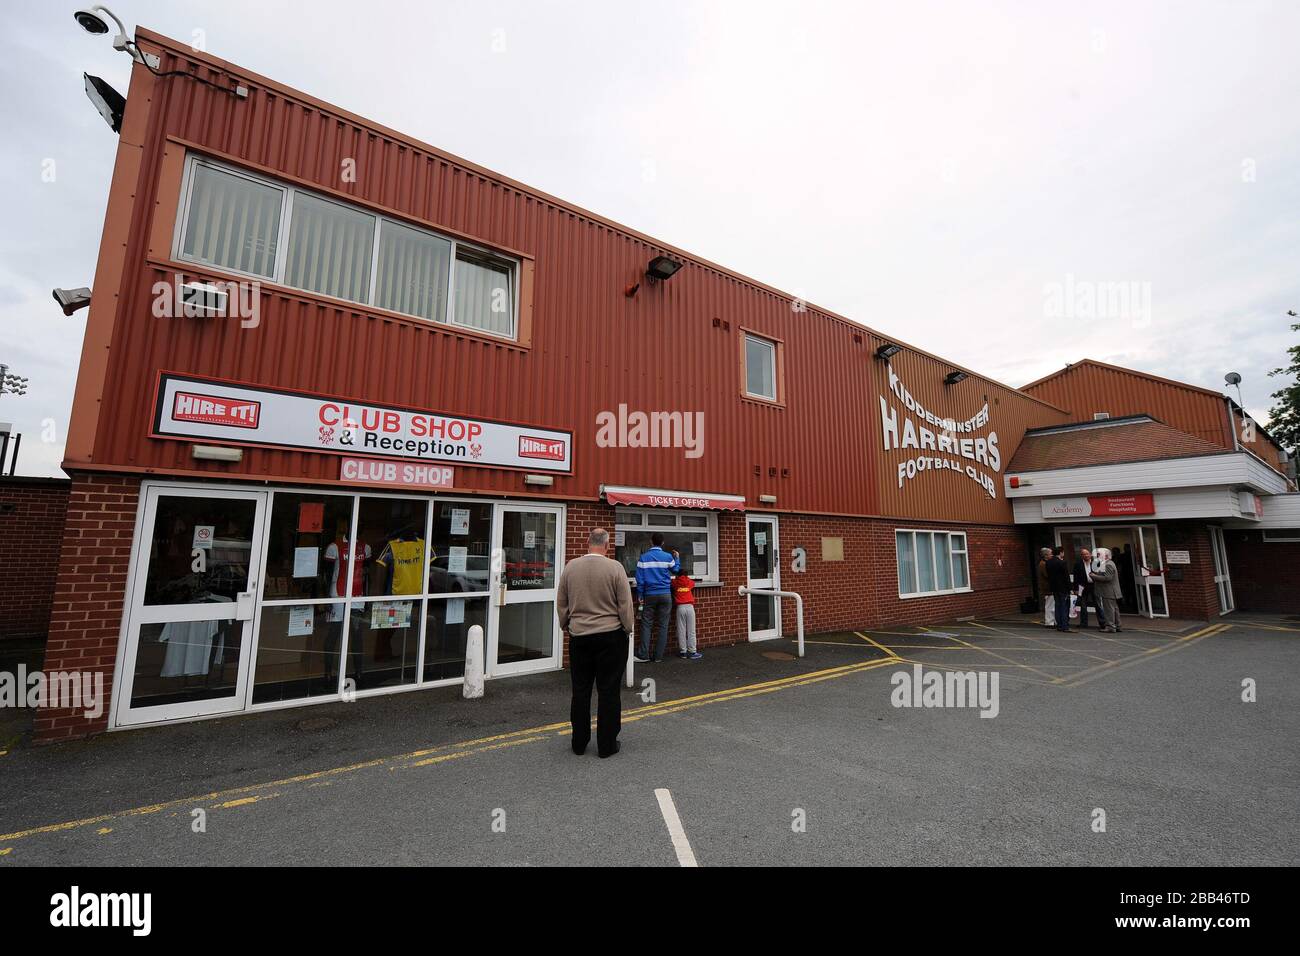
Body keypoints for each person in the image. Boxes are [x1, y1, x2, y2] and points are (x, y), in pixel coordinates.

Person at [556, 528, 636, 758]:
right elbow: (625, 604)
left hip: (580, 637)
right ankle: (606, 745)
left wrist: (566, 625)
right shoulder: (615, 568)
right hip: (610, 637)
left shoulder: (571, 567)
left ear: (587, 542)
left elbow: (562, 601)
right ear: (607, 546)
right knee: (609, 691)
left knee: (580, 690)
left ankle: (579, 743)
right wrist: (627, 628)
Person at [634, 533, 679, 663]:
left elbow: (640, 579)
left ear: (651, 542)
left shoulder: (643, 558)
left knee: (646, 624)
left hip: (650, 595)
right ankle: (658, 657)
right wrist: (677, 558)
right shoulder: (668, 557)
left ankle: (644, 655)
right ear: (663, 543)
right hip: (665, 594)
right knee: (663, 625)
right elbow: (676, 570)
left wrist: (640, 595)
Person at [1091, 547, 1124, 633]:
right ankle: (1118, 626)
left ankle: (1110, 627)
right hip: (1110, 591)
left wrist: (1093, 576)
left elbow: (1107, 578)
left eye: (1099, 555)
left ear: (1105, 556)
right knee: (1114, 609)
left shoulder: (1108, 564)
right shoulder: (1106, 563)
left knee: (1109, 609)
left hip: (1109, 591)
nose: (1097, 556)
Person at [1072, 547, 1106, 630]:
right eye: (1084, 554)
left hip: (1094, 586)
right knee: (1083, 605)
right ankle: (1083, 623)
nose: (1086, 555)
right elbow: (1076, 577)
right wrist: (1076, 589)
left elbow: (1102, 574)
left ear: (1090, 554)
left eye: (1087, 554)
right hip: (1083, 586)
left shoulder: (1096, 563)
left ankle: (1103, 623)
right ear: (1081, 556)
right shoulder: (1078, 564)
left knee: (1098, 604)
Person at [672, 569, 701, 660]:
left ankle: (683, 652)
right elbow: (693, 583)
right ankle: (692, 652)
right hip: (689, 607)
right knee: (691, 630)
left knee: (681, 630)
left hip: (680, 607)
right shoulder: (689, 582)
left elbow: (671, 583)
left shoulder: (675, 582)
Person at [1045, 546, 1073, 633]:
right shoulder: (1062, 563)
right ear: (1061, 552)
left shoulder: (1048, 562)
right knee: (1064, 606)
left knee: (1057, 605)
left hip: (1054, 587)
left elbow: (1049, 576)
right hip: (1063, 588)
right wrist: (1070, 588)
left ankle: (1059, 625)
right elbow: (1066, 577)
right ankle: (1065, 626)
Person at [1036, 547, 1054, 627]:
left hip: (1047, 587)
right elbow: (1047, 575)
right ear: (1046, 555)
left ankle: (1051, 621)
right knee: (1049, 605)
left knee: (1051, 605)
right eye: (1050, 554)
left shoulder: (1044, 563)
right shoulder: (1043, 564)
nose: (1052, 555)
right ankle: (1049, 622)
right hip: (1047, 588)